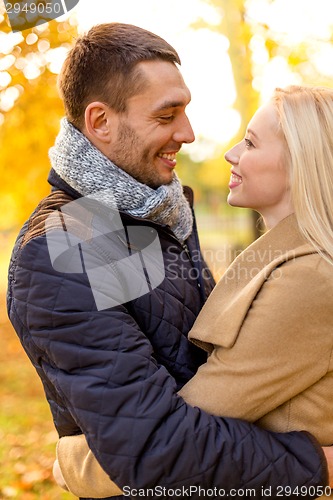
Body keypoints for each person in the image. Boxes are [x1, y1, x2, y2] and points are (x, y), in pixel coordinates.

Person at [6, 22, 330, 500]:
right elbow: (154, 448)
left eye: (187, 111)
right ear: (100, 123)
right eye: (166, 116)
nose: (189, 133)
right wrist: (318, 464)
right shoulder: (70, 245)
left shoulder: (159, 211)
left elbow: (204, 370)